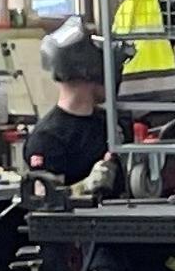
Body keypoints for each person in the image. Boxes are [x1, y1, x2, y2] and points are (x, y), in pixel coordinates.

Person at [21, 21, 121, 194]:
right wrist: (85, 187)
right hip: (81, 213)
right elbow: (45, 200)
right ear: (91, 72)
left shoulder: (109, 123)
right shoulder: (47, 138)